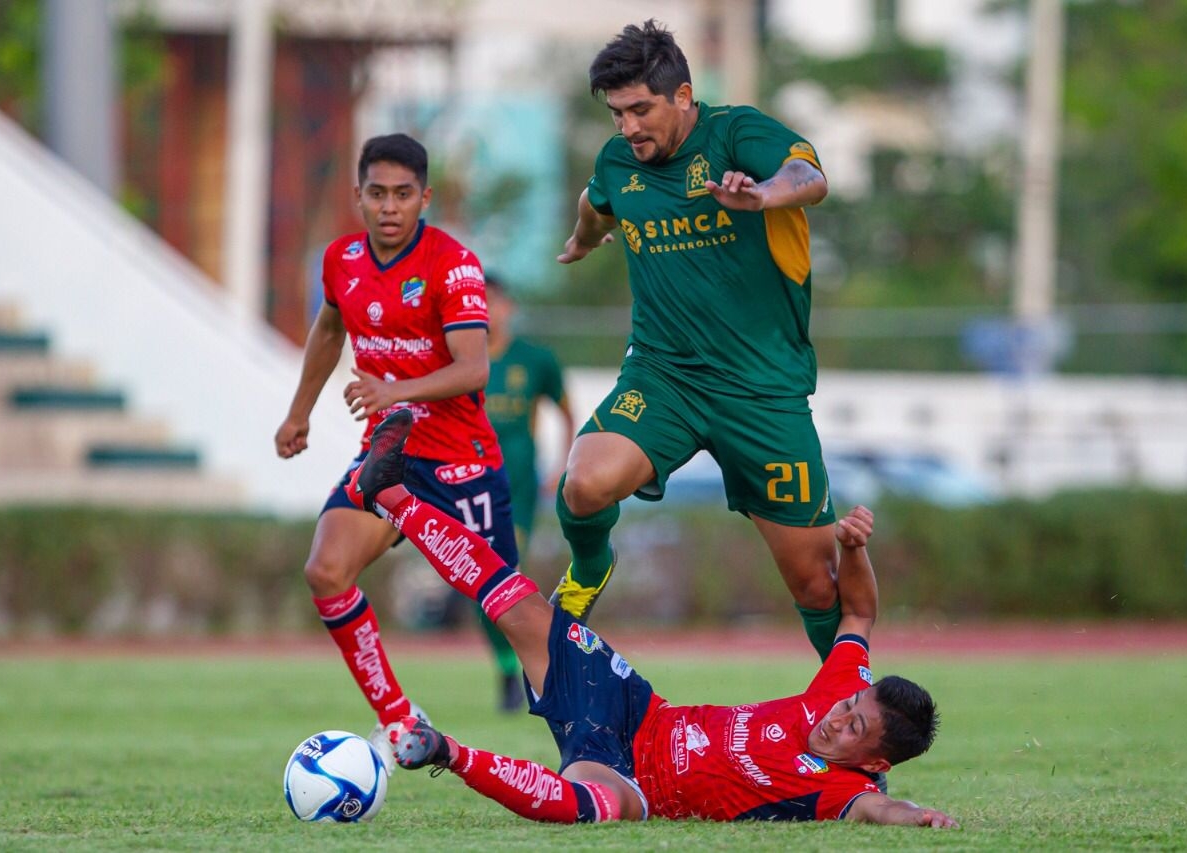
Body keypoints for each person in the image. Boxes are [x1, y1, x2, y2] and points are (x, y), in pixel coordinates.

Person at [346, 411, 958, 828]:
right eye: (849, 710)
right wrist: (853, 547)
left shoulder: (845, 792)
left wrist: (922, 815)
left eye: (855, 731)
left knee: (586, 806)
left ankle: (443, 751)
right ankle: (391, 495)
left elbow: (884, 812)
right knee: (520, 605)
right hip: (638, 711)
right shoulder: (838, 691)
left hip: (637, 785)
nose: (837, 721)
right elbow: (857, 611)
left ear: (875, 763)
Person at [551, 20, 845, 665]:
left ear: (683, 95)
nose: (628, 128)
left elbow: (810, 176)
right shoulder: (617, 161)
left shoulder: (738, 132)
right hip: (666, 378)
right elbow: (596, 201)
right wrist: (579, 239)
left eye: (640, 110)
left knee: (819, 582)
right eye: (617, 113)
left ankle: (857, 729)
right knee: (584, 485)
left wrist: (764, 196)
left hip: (762, 389)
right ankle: (590, 568)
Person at [274, 133, 520, 769]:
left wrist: (394, 389)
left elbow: (474, 368)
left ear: (424, 198)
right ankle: (402, 723)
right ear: (358, 196)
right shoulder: (340, 261)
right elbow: (329, 329)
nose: (389, 207)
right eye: (377, 193)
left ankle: (588, 735)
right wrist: (298, 412)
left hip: (461, 463)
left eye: (403, 195)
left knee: (514, 616)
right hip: (389, 460)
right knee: (326, 571)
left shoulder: (453, 264)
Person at [477, 272, 576, 712]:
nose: (487, 311)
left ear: (508, 307)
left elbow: (568, 414)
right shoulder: (462, 361)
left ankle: (535, 667)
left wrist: (562, 464)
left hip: (515, 485)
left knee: (502, 568)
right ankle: (505, 666)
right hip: (466, 482)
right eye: (479, 302)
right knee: (475, 583)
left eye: (493, 301)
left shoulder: (534, 360)